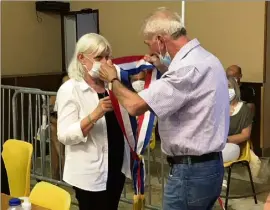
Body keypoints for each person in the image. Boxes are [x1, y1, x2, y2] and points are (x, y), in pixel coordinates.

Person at [99, 7, 229, 210]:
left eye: (149, 43)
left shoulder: (186, 69)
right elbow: (186, 92)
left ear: (160, 40)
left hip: (190, 173)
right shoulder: (207, 59)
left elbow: (134, 106)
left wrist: (113, 80)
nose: (149, 49)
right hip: (209, 167)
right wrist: (162, 68)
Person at [55, 33, 131, 210]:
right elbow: (64, 135)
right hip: (89, 173)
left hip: (115, 167)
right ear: (82, 58)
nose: (105, 62)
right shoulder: (70, 89)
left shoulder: (112, 85)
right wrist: (95, 114)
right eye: (99, 57)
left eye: (108, 57)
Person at [222, 77, 253, 163]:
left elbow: (245, 135)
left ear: (235, 89)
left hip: (233, 146)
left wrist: (225, 140)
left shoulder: (244, 109)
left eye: (228, 86)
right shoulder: (217, 108)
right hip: (214, 146)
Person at [50, 72, 69, 180]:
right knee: (54, 132)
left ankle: (62, 175)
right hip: (57, 126)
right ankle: (57, 175)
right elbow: (50, 116)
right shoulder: (54, 97)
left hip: (71, 128)